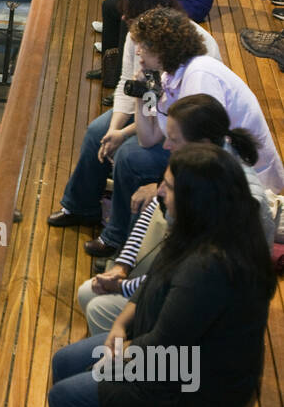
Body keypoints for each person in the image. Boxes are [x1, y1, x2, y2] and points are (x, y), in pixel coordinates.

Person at [45, 144, 275, 407]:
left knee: (68, 399)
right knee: (67, 361)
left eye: (167, 187)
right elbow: (153, 284)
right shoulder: (203, 229)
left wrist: (112, 361)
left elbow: (163, 349)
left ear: (194, 197)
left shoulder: (211, 266)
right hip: (172, 355)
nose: (159, 192)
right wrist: (118, 326)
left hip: (196, 382)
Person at [77, 93, 275, 333]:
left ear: (202, 142)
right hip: (183, 281)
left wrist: (124, 287)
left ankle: (125, 365)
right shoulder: (196, 166)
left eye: (173, 139)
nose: (165, 145)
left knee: (97, 307)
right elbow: (156, 208)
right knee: (89, 294)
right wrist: (121, 266)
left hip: (209, 311)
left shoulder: (227, 200)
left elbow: (186, 274)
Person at [48, 0, 220, 254]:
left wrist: (126, 133)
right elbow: (128, 87)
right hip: (161, 113)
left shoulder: (198, 53)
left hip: (186, 132)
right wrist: (115, 127)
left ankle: (117, 237)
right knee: (97, 132)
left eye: (130, 15)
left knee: (130, 157)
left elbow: (175, 124)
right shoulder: (140, 37)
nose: (124, 20)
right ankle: (81, 206)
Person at [131, 7, 284, 192]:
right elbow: (148, 138)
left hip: (242, 181)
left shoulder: (200, 76)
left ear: (162, 48)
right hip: (214, 166)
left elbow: (201, 150)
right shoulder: (168, 76)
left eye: (143, 46)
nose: (138, 51)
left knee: (130, 160)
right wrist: (140, 95)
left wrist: (161, 186)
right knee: (130, 155)